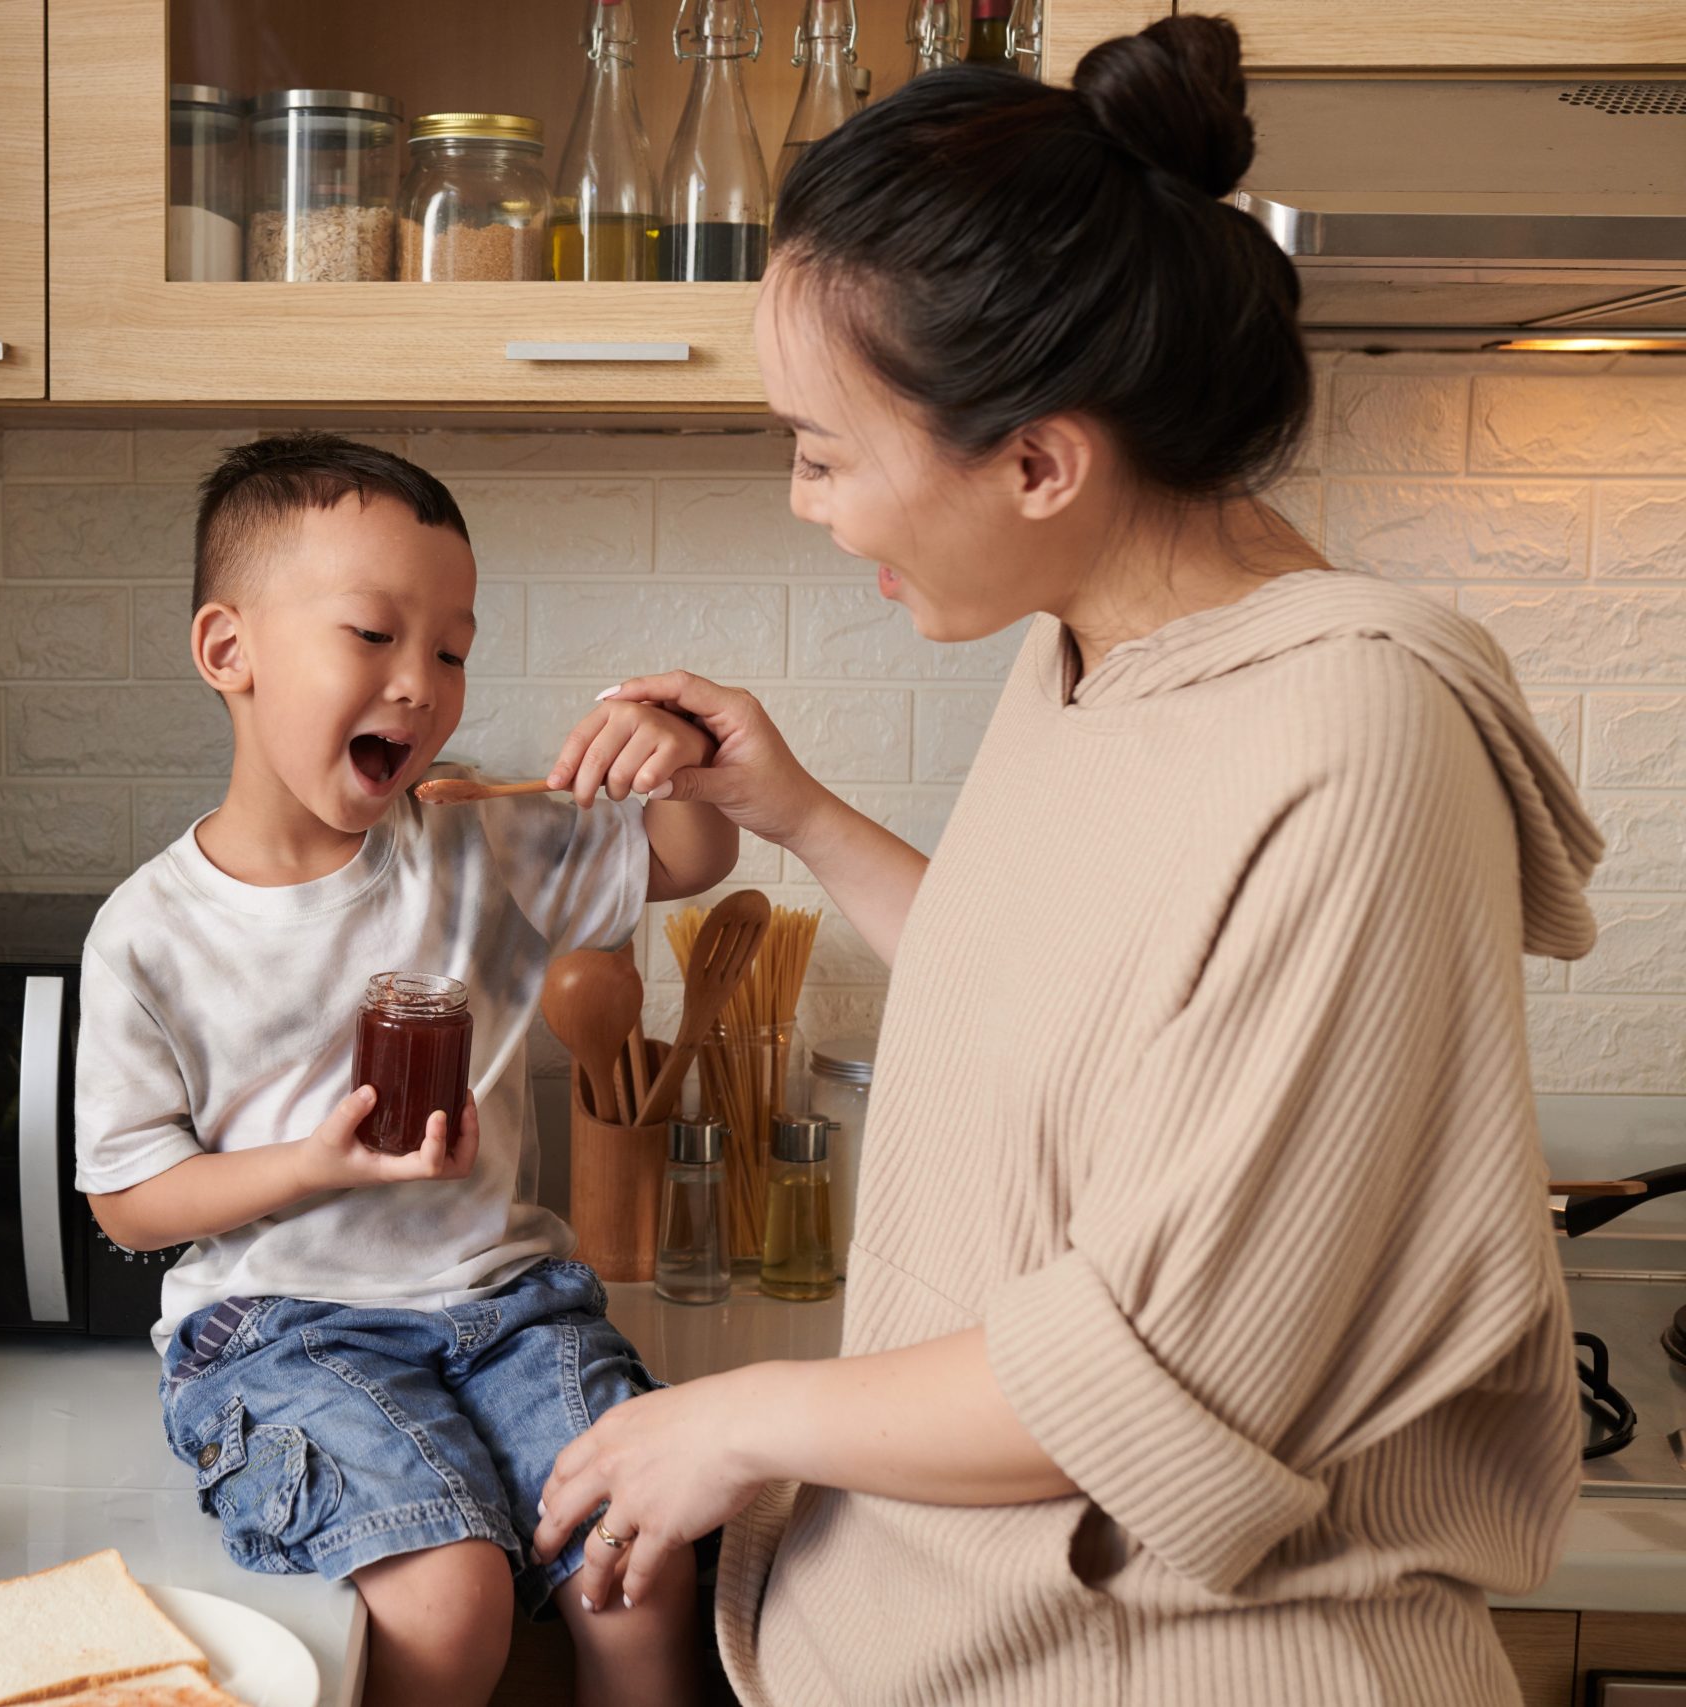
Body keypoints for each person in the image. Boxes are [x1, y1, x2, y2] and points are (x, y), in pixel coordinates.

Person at [528, 17, 1603, 1706]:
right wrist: (801, 812)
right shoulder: (1083, 640)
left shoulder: (1354, 740)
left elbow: (1140, 1379)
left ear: (1038, 461)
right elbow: (1047, 1003)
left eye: (823, 453)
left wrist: (731, 1416)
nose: (808, 501)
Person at [73, 434, 737, 1707]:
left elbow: (687, 857)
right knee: (447, 1598)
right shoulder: (150, 932)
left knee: (637, 1552)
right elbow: (126, 1202)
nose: (420, 684)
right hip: (281, 1327)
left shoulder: (476, 844)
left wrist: (673, 752)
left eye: (449, 648)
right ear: (229, 653)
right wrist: (311, 1163)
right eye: (372, 636)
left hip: (509, 1303)